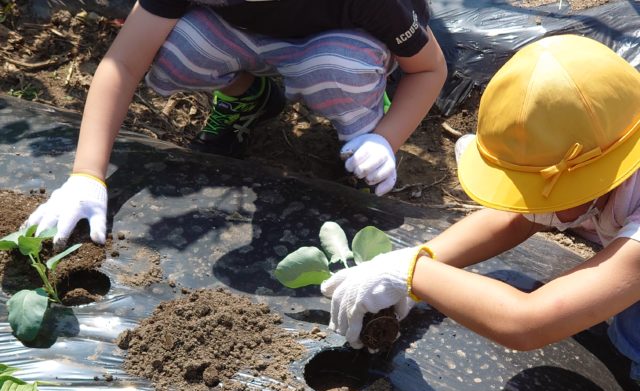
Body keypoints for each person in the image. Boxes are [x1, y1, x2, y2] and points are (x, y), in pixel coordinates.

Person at [321, 34, 640, 391]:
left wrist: (415, 274)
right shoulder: (616, 146)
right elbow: (513, 217)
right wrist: (418, 259)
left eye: (543, 194)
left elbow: (528, 323)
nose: (529, 205)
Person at [24, 0, 447, 247]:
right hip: (242, 32)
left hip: (339, 42)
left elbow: (429, 70)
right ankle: (250, 96)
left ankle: (360, 139)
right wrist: (86, 175)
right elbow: (123, 61)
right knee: (176, 47)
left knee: (340, 66)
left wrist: (385, 139)